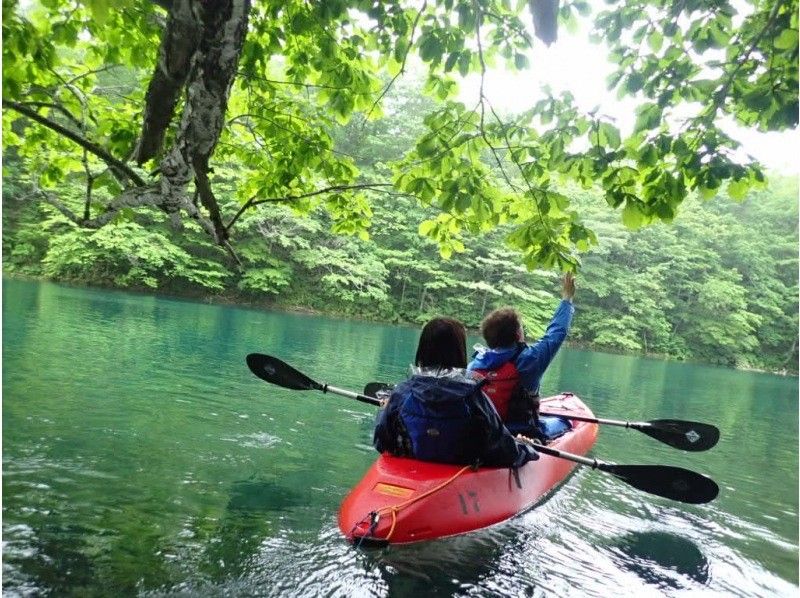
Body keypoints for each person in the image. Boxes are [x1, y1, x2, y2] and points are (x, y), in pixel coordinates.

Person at [373, 317, 538, 469]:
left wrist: (383, 410)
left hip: (413, 467)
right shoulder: (475, 398)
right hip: (460, 468)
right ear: (459, 351)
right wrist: (525, 447)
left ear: (422, 349)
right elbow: (505, 453)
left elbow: (381, 442)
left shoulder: (402, 393)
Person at [468, 273, 576, 438]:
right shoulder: (529, 359)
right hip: (520, 433)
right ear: (518, 334)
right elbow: (556, 332)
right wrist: (567, 299)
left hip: (483, 432)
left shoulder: (475, 363)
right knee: (566, 422)